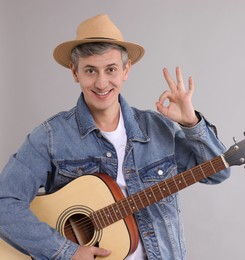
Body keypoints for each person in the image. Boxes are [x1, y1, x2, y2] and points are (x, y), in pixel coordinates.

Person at [0, 14, 230, 260]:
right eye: (90, 70)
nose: (101, 83)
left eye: (110, 69)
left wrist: (191, 123)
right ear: (75, 72)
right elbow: (4, 202)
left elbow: (217, 172)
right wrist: (67, 251)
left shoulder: (158, 129)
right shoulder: (50, 137)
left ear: (125, 70)